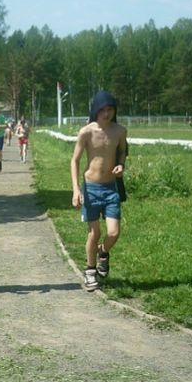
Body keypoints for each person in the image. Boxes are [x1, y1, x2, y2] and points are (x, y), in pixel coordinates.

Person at [70, 91, 128, 291]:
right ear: (95, 110)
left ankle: (103, 252)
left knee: (114, 232)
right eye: (102, 110)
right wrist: (76, 189)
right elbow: (75, 160)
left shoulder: (120, 131)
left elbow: (122, 150)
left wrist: (121, 164)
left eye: (110, 109)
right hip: (91, 188)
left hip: (111, 188)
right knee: (94, 233)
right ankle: (90, 270)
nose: (106, 114)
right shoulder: (86, 132)